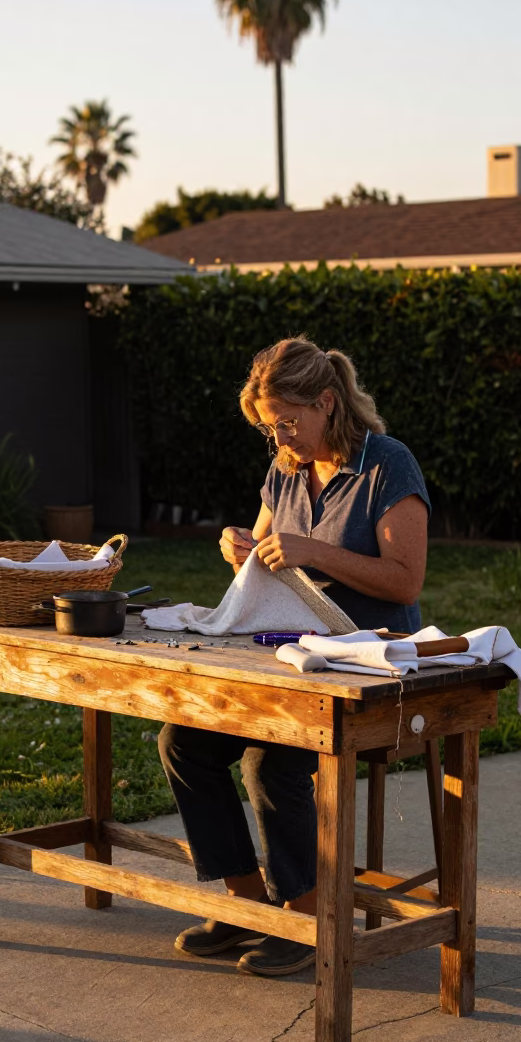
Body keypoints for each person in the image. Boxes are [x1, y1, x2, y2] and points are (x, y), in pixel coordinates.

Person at [157, 336, 430, 977]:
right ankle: (247, 903)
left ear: (327, 403)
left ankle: (304, 918)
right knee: (184, 743)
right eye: (268, 427)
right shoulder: (285, 469)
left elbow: (404, 581)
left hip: (368, 670)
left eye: (287, 422)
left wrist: (311, 551)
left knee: (270, 760)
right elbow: (266, 547)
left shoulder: (388, 466)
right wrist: (242, 548)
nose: (279, 437)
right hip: (290, 657)